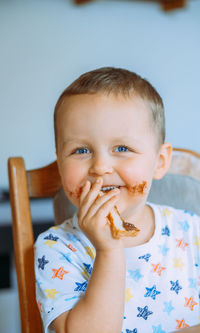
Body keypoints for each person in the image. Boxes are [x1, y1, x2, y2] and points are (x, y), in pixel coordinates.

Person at [34, 67, 200, 333]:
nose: (100, 167)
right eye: (81, 150)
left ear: (159, 162)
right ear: (60, 163)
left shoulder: (193, 232)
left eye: (122, 148)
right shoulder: (55, 249)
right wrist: (108, 250)